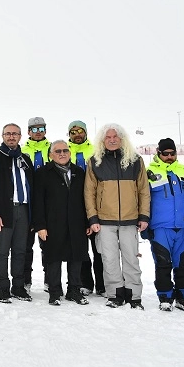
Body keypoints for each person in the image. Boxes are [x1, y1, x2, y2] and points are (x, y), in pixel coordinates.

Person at [84, 123, 150, 309]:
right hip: (104, 221)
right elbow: (89, 193)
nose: (112, 140)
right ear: (102, 140)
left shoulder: (135, 160)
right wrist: (93, 218)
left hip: (130, 220)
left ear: (122, 139)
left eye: (115, 137)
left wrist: (144, 215)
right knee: (109, 259)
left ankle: (134, 295)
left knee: (131, 258)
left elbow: (144, 190)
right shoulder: (95, 161)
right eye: (108, 137)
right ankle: (115, 294)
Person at [32, 140, 89, 305]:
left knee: (76, 257)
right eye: (57, 151)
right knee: (53, 259)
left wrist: (87, 222)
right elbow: (38, 202)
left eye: (65, 150)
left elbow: (85, 200)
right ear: (50, 155)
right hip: (52, 223)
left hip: (76, 222)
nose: (62, 154)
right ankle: (55, 292)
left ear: (70, 153)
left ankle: (74, 291)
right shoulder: (43, 173)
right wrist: (40, 225)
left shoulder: (79, 172)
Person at [144, 138, 184, 311]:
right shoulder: (149, 172)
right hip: (160, 227)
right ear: (158, 153)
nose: (169, 156)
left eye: (172, 153)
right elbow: (142, 199)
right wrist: (144, 223)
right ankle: (165, 296)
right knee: (163, 263)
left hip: (183, 226)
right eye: (165, 153)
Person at [0, 123, 34, 303]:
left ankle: (18, 287)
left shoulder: (25, 160)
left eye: (15, 134)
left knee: (21, 250)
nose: (11, 137)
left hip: (24, 210)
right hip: (4, 211)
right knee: (2, 251)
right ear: (2, 136)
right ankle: (4, 287)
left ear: (20, 136)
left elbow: (31, 186)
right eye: (8, 134)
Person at [67, 120, 104, 297]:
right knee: (80, 248)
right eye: (73, 132)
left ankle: (103, 285)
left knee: (100, 248)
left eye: (80, 131)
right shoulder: (65, 152)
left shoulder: (96, 151)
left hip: (96, 206)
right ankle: (85, 283)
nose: (77, 134)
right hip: (75, 206)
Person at [21, 116, 51, 292]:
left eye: (41, 129)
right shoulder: (23, 151)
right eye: (34, 129)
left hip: (48, 203)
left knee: (48, 245)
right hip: (27, 203)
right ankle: (26, 280)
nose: (38, 133)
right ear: (29, 132)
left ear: (45, 131)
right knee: (25, 246)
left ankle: (49, 279)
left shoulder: (53, 148)